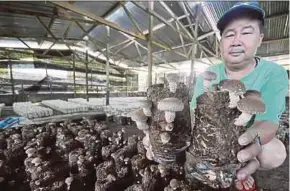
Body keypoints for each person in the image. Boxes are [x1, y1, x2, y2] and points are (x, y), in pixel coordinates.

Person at [190, 1, 288, 190]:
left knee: (274, 152)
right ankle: (211, 169)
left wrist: (255, 141)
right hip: (211, 139)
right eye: (229, 34)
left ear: (260, 38)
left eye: (246, 32)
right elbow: (195, 114)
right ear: (221, 42)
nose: (236, 41)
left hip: (244, 140)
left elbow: (268, 121)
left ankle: (245, 165)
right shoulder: (208, 73)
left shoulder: (274, 73)